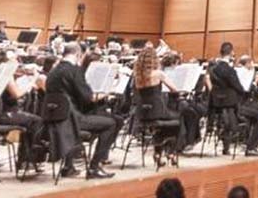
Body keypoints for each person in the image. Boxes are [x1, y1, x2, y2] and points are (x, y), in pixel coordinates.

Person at [44, 42, 118, 179]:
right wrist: (107, 92)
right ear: (78, 54)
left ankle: (68, 167)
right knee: (111, 123)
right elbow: (88, 98)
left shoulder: (53, 71)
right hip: (71, 119)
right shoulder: (74, 70)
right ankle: (94, 167)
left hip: (54, 118)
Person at [133, 46, 188, 160]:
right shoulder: (158, 74)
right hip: (157, 111)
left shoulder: (137, 76)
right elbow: (174, 89)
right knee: (178, 118)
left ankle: (158, 151)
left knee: (164, 124)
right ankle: (171, 151)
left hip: (142, 113)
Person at [208, 42, 258, 156]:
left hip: (216, 106)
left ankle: (226, 147)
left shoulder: (213, 69)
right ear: (231, 53)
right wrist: (246, 88)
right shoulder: (230, 70)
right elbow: (239, 88)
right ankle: (250, 147)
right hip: (232, 106)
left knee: (233, 115)